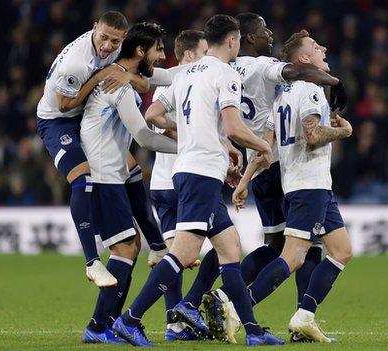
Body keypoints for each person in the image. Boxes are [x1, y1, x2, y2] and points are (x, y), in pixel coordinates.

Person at [112, 14, 283, 347]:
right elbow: (233, 127)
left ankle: (254, 332)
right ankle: (129, 320)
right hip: (201, 172)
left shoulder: (186, 71)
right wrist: (262, 145)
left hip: (192, 168)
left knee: (230, 248)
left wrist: (199, 138)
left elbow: (153, 115)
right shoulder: (225, 73)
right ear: (233, 41)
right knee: (182, 253)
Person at [199, 12, 347, 342]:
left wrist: (246, 178)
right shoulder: (295, 82)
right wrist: (343, 132)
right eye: (315, 47)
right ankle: (237, 307)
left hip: (292, 177)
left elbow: (266, 142)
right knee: (293, 254)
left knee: (337, 250)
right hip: (304, 182)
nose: (322, 48)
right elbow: (310, 134)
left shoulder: (281, 94)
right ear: (304, 59)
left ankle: (303, 317)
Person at [79, 22, 177, 344]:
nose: (162, 56)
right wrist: (189, 145)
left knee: (130, 246)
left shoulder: (126, 79)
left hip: (113, 174)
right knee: (124, 248)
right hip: (103, 177)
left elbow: (170, 77)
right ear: (140, 51)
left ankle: (107, 325)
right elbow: (145, 137)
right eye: (158, 49)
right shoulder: (117, 87)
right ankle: (98, 327)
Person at [36, 11, 148, 287]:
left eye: (115, 40)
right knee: (82, 178)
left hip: (88, 117)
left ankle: (154, 241)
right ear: (94, 27)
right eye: (104, 37)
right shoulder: (76, 63)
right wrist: (100, 77)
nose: (108, 46)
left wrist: (124, 76)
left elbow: (144, 82)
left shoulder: (122, 49)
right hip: (57, 122)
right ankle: (91, 261)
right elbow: (63, 105)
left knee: (131, 167)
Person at [147, 29, 208, 341]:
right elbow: (155, 119)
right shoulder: (176, 79)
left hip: (162, 181)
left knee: (174, 258)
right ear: (188, 55)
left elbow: (155, 117)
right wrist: (188, 139)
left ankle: (174, 325)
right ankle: (191, 307)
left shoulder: (171, 81)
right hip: (182, 180)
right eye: (204, 51)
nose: (208, 57)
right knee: (226, 248)